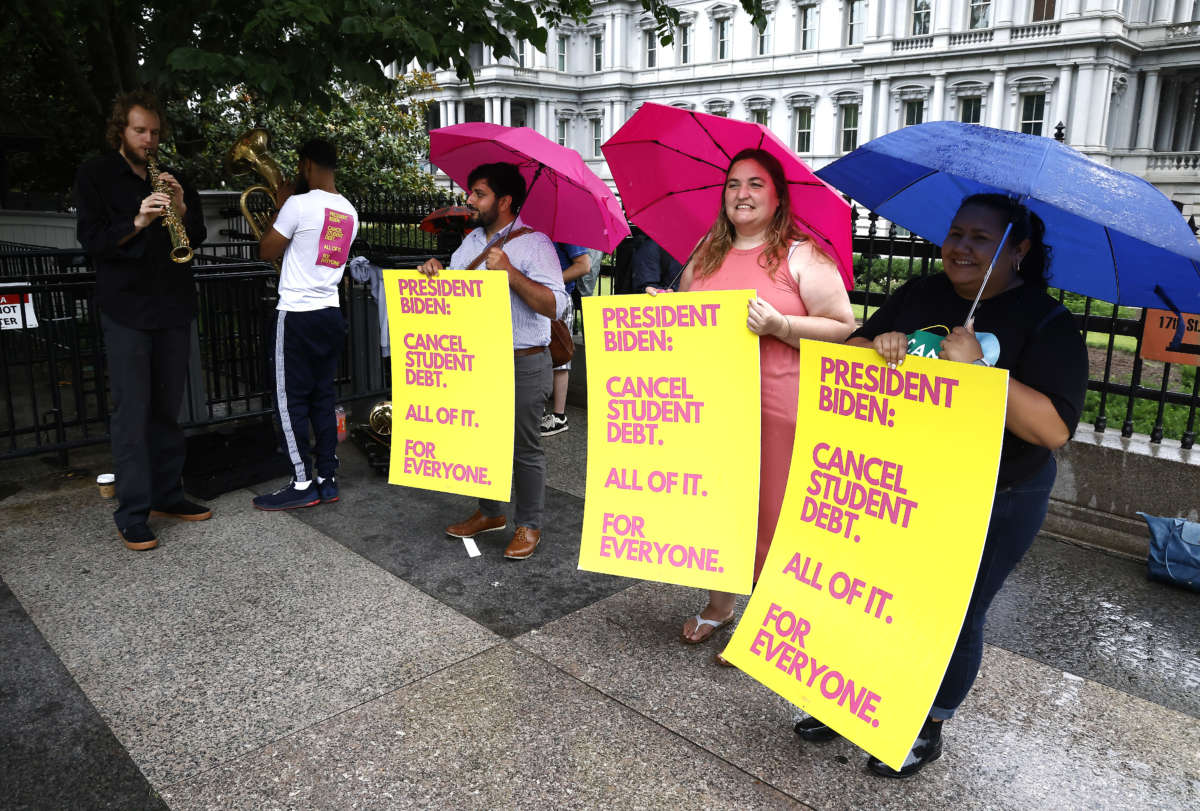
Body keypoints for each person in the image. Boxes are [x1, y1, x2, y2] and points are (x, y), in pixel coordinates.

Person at [795, 193, 1088, 778]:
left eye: (982, 239)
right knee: (877, 593)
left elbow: (1053, 428)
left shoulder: (1048, 321)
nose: (961, 248)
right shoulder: (918, 294)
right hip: (909, 481)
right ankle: (854, 695)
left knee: (955, 612)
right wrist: (876, 350)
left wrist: (981, 371)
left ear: (1019, 250)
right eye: (956, 234)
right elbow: (851, 352)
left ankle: (926, 723)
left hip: (999, 494)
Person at [673, 148, 857, 645]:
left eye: (756, 184)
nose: (742, 193)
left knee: (775, 513)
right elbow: (691, 326)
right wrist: (664, 313)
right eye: (733, 184)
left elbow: (844, 327)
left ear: (778, 198)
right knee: (722, 507)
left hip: (781, 409)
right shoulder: (705, 255)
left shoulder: (803, 255)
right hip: (716, 407)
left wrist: (781, 325)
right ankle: (721, 604)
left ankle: (773, 623)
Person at [75, 90, 210, 551]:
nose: (148, 139)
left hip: (172, 304)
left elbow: (196, 238)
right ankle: (131, 512)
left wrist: (181, 208)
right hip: (127, 309)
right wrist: (137, 220)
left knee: (167, 412)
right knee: (131, 414)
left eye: (154, 131)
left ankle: (168, 495)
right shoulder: (95, 175)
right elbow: (91, 239)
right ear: (121, 130)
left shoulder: (175, 178)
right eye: (139, 131)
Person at [418, 163, 567, 560]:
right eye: (471, 192)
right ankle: (490, 512)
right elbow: (453, 294)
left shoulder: (536, 244)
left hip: (524, 360)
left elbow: (555, 306)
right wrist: (435, 274)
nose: (470, 200)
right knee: (482, 441)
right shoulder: (470, 245)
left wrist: (511, 272)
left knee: (524, 448)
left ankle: (529, 524)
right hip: (479, 361)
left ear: (504, 201)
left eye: (479, 193)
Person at [252, 138, 359, 511]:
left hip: (296, 314)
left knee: (290, 401)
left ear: (307, 164)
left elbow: (266, 250)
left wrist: (280, 207)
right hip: (330, 312)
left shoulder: (297, 205)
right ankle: (327, 478)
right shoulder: (349, 211)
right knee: (322, 398)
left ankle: (302, 482)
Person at [541, 243, 590, 436]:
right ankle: (542, 413)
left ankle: (559, 416)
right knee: (539, 355)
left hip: (557, 298)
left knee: (560, 355)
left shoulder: (563, 229)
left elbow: (584, 265)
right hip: (539, 296)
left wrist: (550, 282)